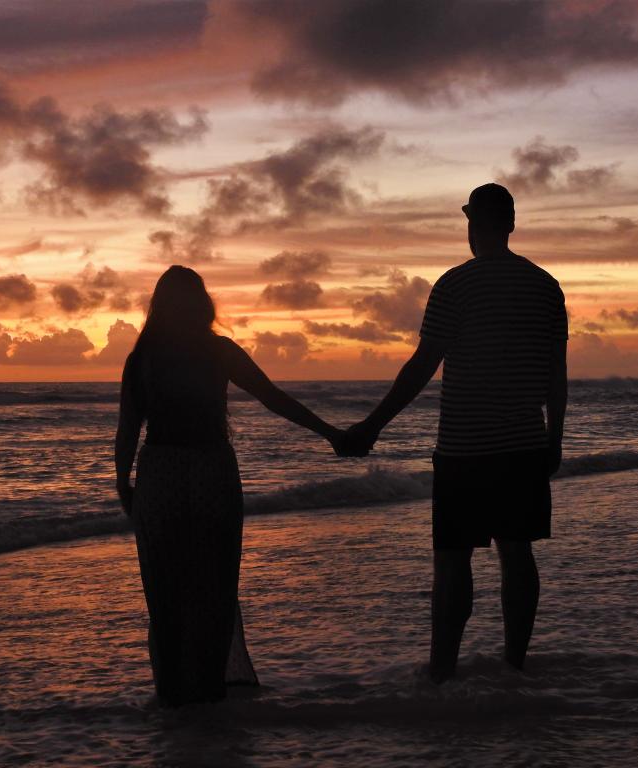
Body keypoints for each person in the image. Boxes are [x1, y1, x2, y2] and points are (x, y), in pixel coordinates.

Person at [340, 183, 568, 682]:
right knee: (517, 553)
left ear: (475, 227)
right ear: (509, 225)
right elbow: (555, 372)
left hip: (465, 447)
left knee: (452, 561)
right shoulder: (546, 286)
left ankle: (441, 672)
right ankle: (514, 666)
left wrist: (371, 426)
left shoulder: (454, 285)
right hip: (525, 444)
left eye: (472, 222)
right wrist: (556, 437)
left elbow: (422, 366)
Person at [115, 265, 343, 707]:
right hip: (210, 475)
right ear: (204, 305)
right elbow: (272, 397)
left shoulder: (142, 357)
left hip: (159, 478)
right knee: (213, 589)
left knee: (165, 595)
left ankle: (172, 699)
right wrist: (330, 433)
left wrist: (123, 483)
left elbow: (128, 429)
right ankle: (208, 695)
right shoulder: (217, 351)